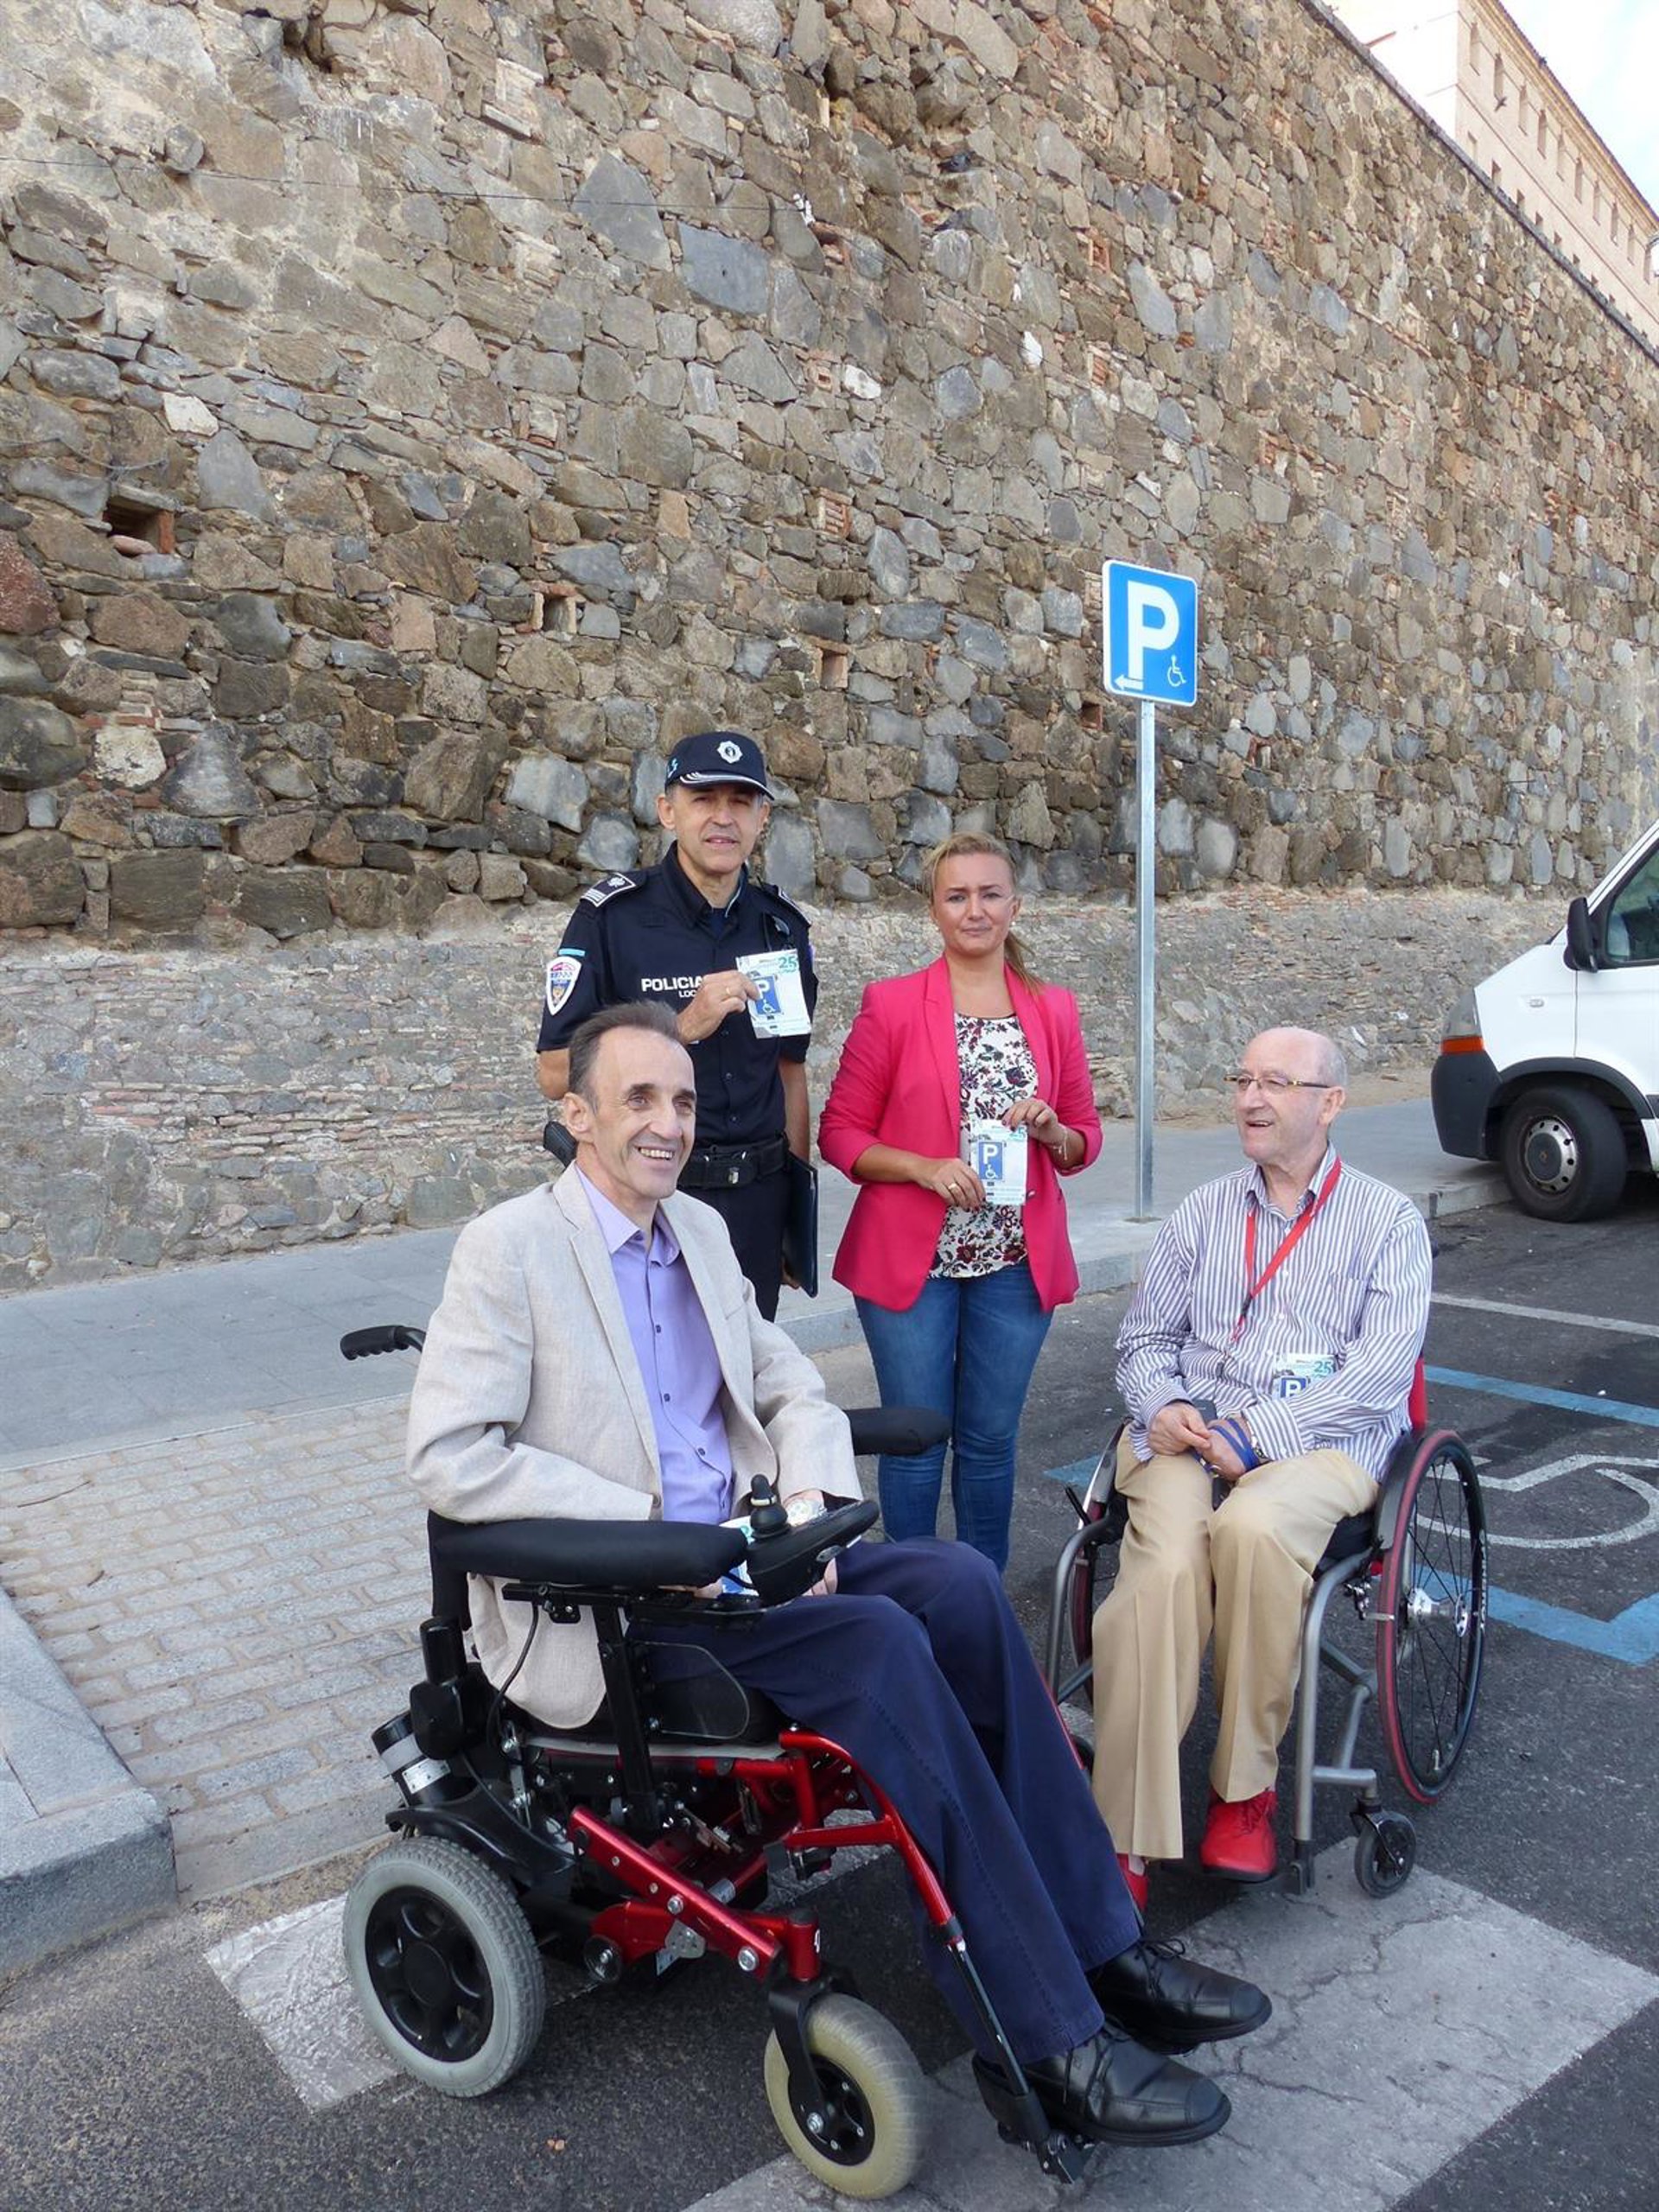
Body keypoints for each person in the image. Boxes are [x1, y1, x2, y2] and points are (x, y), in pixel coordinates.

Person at [409, 1002, 1269, 2152]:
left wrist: (810, 1509)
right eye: (639, 1099)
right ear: (576, 1113)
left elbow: (791, 1390)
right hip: (631, 1599)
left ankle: (1106, 1948)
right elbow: (451, 1456)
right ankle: (1046, 2039)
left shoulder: (698, 1231)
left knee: (960, 1586)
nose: (668, 1124)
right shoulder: (511, 1248)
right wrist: (658, 1530)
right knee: (882, 1650)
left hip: (751, 1565)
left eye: (682, 1101)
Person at [1092, 1027, 1433, 1907]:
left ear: (1331, 1103)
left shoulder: (1388, 1222)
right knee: (1166, 1569)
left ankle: (1243, 1789)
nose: (1250, 1097)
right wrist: (1163, 1404)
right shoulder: (1203, 1211)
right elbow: (1144, 1340)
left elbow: (1379, 1377)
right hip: (1189, 1434)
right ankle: (1124, 1832)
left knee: (1250, 1527)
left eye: (1276, 1082)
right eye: (1243, 1078)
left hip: (1323, 1441)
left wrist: (1260, 1431)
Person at [817, 832, 1102, 1569]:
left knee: (989, 1442)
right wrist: (922, 1167)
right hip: (913, 1265)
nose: (975, 910)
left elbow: (1083, 1140)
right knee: (915, 1441)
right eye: (957, 896)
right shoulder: (892, 1005)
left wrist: (1053, 1131)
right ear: (935, 910)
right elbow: (841, 1134)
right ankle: (909, 1598)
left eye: (990, 894)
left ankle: (980, 1599)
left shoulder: (1054, 1009)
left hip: (1015, 1262)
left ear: (1015, 905)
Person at [536, 730, 814, 1319]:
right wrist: (680, 1027)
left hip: (758, 1204)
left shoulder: (782, 927)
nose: (723, 818)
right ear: (667, 811)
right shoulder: (611, 919)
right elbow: (554, 1073)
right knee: (648, 1364)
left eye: (741, 802)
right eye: (703, 799)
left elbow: (791, 1072)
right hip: (651, 1195)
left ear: (762, 818)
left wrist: (795, 1216)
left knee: (744, 1367)